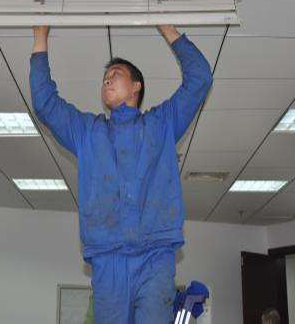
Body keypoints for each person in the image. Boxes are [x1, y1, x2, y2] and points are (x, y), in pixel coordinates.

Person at [29, 25, 213, 323]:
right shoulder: (88, 133)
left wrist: (167, 28)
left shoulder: (161, 124)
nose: (107, 78)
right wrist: (40, 37)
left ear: (136, 86)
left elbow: (200, 79)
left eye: (116, 73)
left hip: (156, 255)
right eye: (105, 77)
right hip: (107, 258)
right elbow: (45, 104)